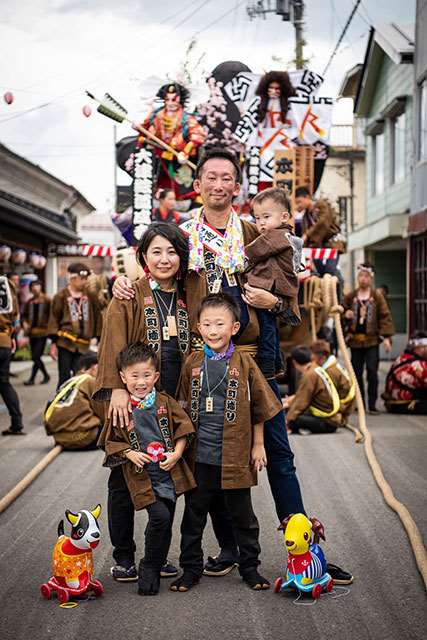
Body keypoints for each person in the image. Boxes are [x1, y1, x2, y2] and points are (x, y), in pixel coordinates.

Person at [112, 147, 352, 585]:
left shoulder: (256, 234)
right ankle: (226, 548)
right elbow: (156, 270)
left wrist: (275, 302)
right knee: (207, 450)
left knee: (277, 452)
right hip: (199, 361)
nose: (219, 185)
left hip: (253, 357)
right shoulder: (183, 238)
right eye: (211, 177)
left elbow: (290, 296)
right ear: (197, 184)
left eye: (228, 178)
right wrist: (123, 281)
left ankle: (307, 551)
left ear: (237, 187)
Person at [94, 222, 190, 583]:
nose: (165, 259)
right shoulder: (128, 294)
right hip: (130, 401)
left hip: (169, 404)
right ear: (143, 257)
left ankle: (157, 555)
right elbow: (111, 345)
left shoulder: (188, 293)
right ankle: (123, 557)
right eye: (156, 251)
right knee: (122, 481)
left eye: (172, 251)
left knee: (168, 478)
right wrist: (116, 390)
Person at [171, 293, 282, 592]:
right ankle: (190, 570)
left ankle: (250, 568)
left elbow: (260, 406)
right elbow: (180, 406)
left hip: (234, 456)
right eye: (206, 324)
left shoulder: (245, 363)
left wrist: (258, 445)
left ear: (234, 327)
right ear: (197, 327)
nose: (213, 330)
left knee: (243, 517)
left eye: (220, 323)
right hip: (200, 457)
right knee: (193, 517)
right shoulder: (192, 362)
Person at [100, 343, 195, 596]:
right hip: (138, 477)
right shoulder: (121, 407)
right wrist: (129, 452)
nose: (140, 382)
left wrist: (176, 453)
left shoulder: (165, 402)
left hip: (166, 473)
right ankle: (147, 566)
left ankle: (156, 560)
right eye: (134, 376)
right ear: (123, 377)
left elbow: (184, 428)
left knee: (166, 518)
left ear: (155, 376)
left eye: (146, 376)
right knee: (159, 517)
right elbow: (110, 441)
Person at [243, 187, 301, 378]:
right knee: (270, 329)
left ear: (284, 216)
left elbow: (254, 251)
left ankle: (267, 365)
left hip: (271, 289)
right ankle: (276, 362)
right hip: (276, 288)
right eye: (257, 218)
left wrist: (236, 259)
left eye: (266, 217)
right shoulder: (286, 236)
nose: (260, 223)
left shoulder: (275, 236)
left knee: (266, 329)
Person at [343, 263, 394, 414]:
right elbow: (340, 311)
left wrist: (386, 338)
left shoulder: (377, 296)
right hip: (355, 341)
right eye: (361, 276)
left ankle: (372, 404)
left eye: (366, 276)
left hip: (372, 341)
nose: (363, 279)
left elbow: (385, 316)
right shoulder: (351, 296)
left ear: (371, 278)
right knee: (356, 372)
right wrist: (346, 314)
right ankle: (359, 403)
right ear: (358, 277)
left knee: (372, 371)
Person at [47, 263, 102, 389]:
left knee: (81, 376)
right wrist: (54, 342)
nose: (85, 281)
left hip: (84, 344)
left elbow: (98, 316)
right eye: (82, 278)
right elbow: (54, 319)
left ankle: (77, 403)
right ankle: (61, 405)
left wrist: (99, 338)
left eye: (86, 279)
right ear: (72, 278)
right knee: (64, 377)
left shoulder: (90, 296)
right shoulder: (60, 296)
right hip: (65, 343)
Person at [44, 352, 104, 449]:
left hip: (58, 437)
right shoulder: (89, 381)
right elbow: (102, 410)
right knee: (109, 430)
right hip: (83, 437)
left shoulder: (68, 382)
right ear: (95, 368)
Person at [285, 345, 342, 435]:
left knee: (294, 418)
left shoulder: (309, 375)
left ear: (295, 363)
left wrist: (287, 420)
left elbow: (301, 403)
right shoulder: (315, 368)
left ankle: (297, 427)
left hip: (328, 422)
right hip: (332, 418)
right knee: (291, 412)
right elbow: (302, 396)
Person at [0, 275, 25, 436]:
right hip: (5, 340)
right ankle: (17, 423)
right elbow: (16, 315)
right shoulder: (6, 283)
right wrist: (12, 337)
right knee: (4, 383)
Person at [310, 340, 355, 424]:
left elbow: (327, 395)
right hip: (344, 403)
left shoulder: (330, 372)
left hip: (343, 406)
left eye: (313, 356)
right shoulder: (332, 366)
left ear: (322, 357)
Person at [382, 332, 427, 414]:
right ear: (420, 348)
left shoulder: (401, 359)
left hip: (391, 404)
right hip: (406, 404)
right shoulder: (419, 365)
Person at [22, 280, 51, 386]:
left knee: (35, 356)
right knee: (35, 357)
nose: (35, 288)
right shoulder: (29, 301)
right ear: (30, 288)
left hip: (42, 332)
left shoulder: (47, 300)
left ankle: (44, 375)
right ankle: (33, 379)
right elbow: (23, 315)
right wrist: (24, 323)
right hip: (31, 333)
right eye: (33, 286)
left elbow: (52, 315)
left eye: (37, 285)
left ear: (41, 287)